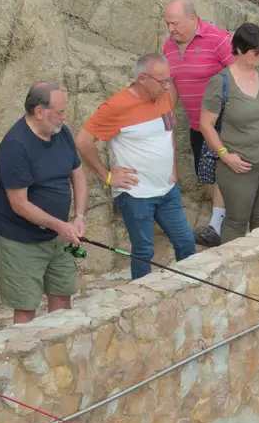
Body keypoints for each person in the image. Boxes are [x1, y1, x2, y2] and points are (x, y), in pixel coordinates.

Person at [79, 53, 196, 280]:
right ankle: (143, 297)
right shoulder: (116, 106)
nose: (168, 86)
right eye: (162, 81)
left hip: (167, 189)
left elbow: (167, 132)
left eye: (169, 80)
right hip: (136, 194)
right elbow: (83, 141)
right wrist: (108, 176)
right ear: (143, 79)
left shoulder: (164, 96)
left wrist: (173, 167)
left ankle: (188, 287)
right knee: (144, 251)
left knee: (186, 242)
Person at [0, 82, 89, 323]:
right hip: (20, 240)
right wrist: (60, 226)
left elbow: (77, 172)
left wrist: (79, 216)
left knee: (63, 295)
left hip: (58, 234)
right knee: (26, 308)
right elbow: (19, 204)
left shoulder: (61, 132)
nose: (64, 118)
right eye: (60, 112)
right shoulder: (16, 146)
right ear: (39, 111)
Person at [200, 23, 259, 244]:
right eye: (256, 51)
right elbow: (206, 125)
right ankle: (230, 272)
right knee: (236, 221)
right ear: (239, 50)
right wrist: (224, 155)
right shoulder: (221, 82)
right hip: (239, 165)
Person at [162, 0, 235, 246]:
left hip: (223, 121)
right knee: (205, 176)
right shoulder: (168, 48)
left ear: (193, 19)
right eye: (167, 24)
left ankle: (217, 227)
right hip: (196, 124)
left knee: (221, 172)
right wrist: (166, 112)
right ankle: (225, 220)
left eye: (175, 23)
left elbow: (241, 74)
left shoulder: (220, 39)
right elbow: (171, 83)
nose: (170, 29)